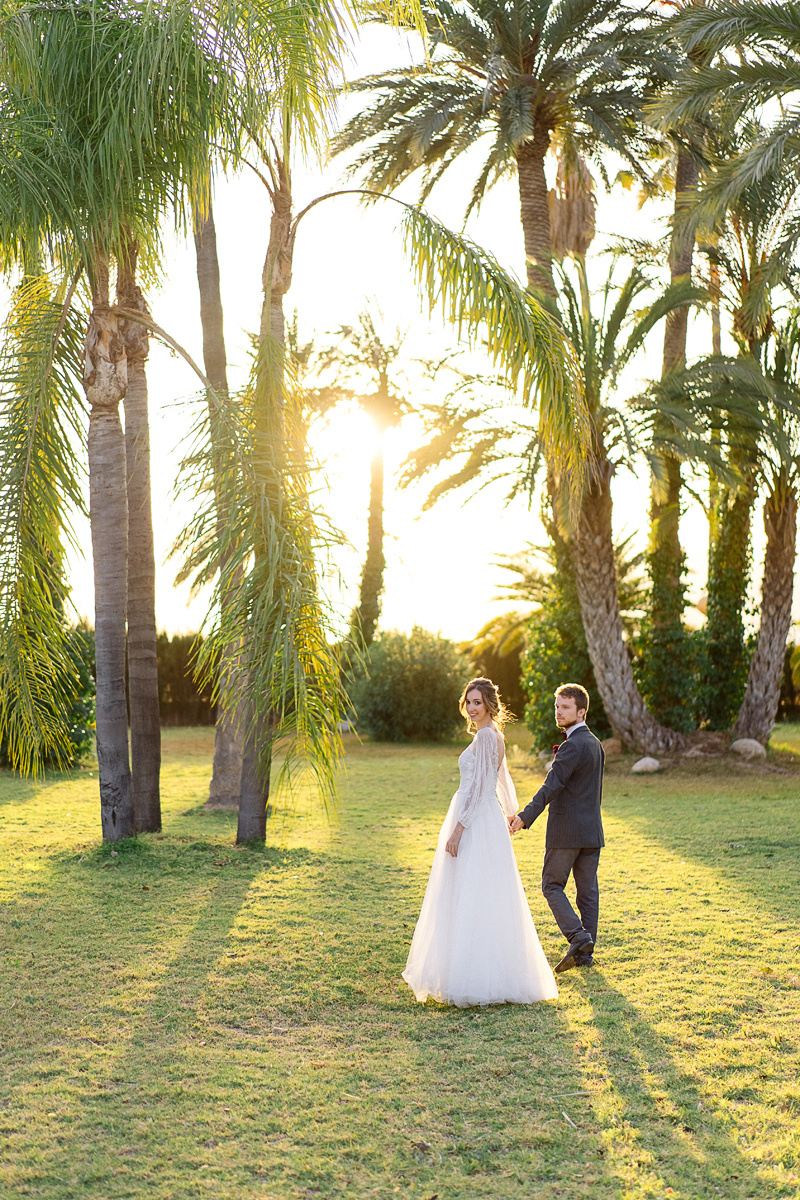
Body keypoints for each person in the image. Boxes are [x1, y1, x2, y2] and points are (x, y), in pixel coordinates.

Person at [402, 678, 558, 1007]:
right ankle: (479, 971)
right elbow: (500, 780)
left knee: (473, 892)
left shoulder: (487, 736)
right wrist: (510, 810)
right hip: (484, 817)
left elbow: (479, 788)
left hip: (473, 820)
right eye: (468, 702)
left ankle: (477, 977)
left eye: (477, 702)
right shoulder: (492, 736)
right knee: (481, 892)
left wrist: (459, 829)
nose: (472, 708)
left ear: (489, 703)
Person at [509, 683, 605, 974]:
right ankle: (585, 955)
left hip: (566, 832)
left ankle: (578, 937)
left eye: (565, 707)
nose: (559, 712)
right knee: (587, 892)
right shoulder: (595, 743)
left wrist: (525, 816)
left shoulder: (572, 745)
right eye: (557, 706)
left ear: (581, 711)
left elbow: (551, 785)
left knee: (551, 885)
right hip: (592, 832)